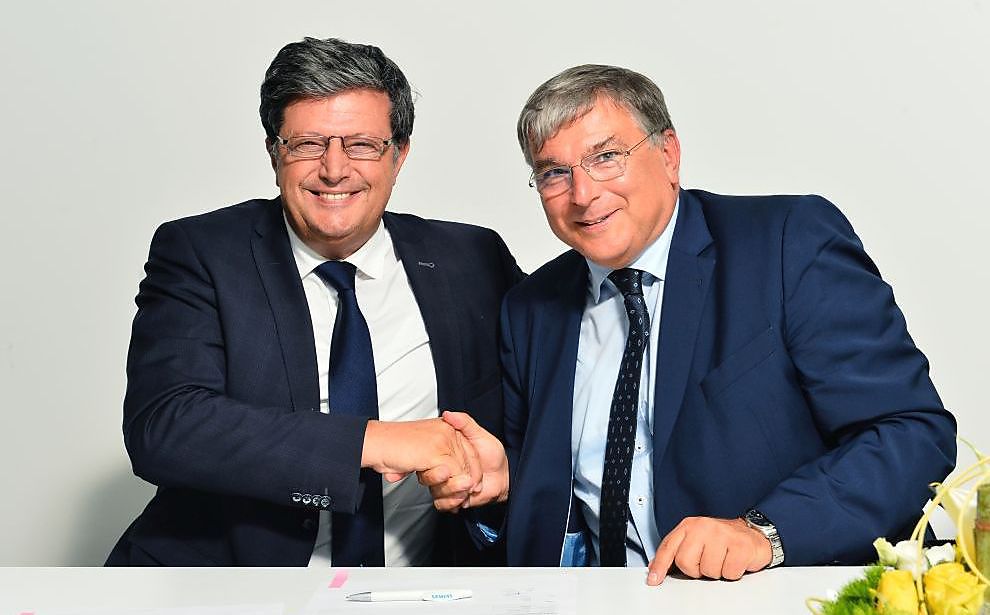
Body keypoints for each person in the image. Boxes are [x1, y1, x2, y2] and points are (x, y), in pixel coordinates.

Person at [424, 64, 956, 583]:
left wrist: (763, 533)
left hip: (787, 593)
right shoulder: (531, 308)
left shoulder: (785, 242)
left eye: (606, 157)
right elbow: (554, 516)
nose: (582, 194)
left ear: (669, 154)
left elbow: (911, 433)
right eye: (554, 173)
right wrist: (503, 486)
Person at [106, 37, 522, 566]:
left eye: (362, 145)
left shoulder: (472, 258)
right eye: (307, 144)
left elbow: (558, 398)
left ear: (399, 155)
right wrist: (374, 442)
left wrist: (507, 474)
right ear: (273, 152)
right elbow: (165, 425)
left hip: (418, 590)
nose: (334, 169)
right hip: (228, 585)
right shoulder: (202, 252)